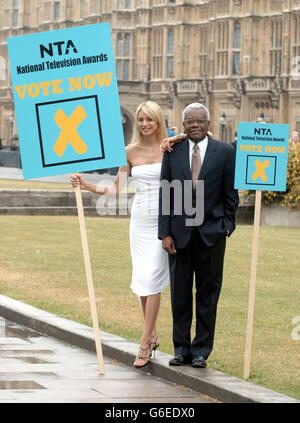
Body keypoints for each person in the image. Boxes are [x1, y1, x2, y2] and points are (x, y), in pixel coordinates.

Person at [71, 101, 169, 369]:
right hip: (139, 221)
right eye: (141, 120)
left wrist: (179, 136)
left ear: (159, 121)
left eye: (150, 119)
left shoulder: (170, 148)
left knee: (153, 279)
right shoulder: (129, 151)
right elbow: (116, 188)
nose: (145, 124)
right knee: (141, 280)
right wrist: (86, 184)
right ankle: (152, 333)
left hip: (164, 221)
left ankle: (145, 342)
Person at [158, 103, 239, 368]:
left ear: (208, 123)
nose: (194, 125)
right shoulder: (172, 151)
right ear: (183, 125)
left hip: (211, 235)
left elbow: (231, 194)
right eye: (189, 121)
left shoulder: (225, 152)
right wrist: (165, 232)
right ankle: (181, 349)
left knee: (208, 294)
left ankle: (201, 350)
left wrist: (226, 225)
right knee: (180, 295)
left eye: (199, 120)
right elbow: (166, 195)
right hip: (179, 236)